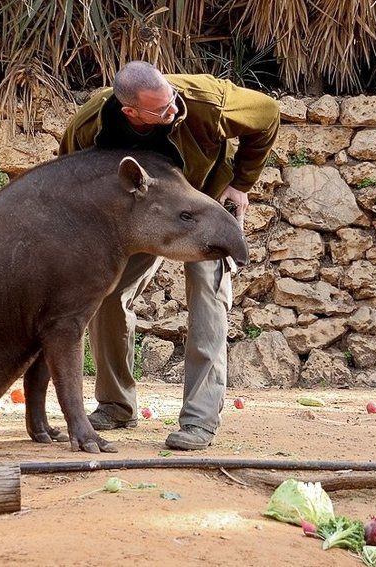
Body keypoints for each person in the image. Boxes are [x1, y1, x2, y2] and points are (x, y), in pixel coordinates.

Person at [59, 61, 279, 450]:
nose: (173, 111)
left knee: (208, 301)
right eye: (161, 110)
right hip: (142, 219)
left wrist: (241, 183)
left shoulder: (206, 101)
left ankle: (199, 421)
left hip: (205, 206)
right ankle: (115, 404)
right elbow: (70, 177)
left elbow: (267, 114)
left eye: (172, 102)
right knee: (107, 295)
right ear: (130, 112)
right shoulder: (91, 123)